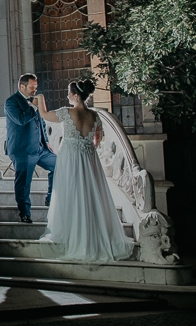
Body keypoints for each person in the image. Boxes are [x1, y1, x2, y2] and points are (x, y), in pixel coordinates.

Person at [36, 80, 135, 262]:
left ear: (75, 96)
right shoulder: (95, 116)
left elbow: (44, 114)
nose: (67, 96)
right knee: (91, 194)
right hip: (88, 159)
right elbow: (97, 141)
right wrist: (85, 148)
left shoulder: (67, 112)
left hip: (70, 159)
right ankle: (93, 234)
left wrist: (40, 97)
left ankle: (74, 236)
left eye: (68, 93)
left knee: (71, 194)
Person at [4, 73, 56, 223]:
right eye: (32, 87)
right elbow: (21, 120)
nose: (35, 90)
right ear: (22, 86)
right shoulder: (11, 102)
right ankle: (24, 213)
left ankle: (50, 198)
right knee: (24, 182)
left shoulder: (35, 101)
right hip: (23, 150)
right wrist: (33, 106)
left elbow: (42, 124)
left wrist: (46, 142)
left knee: (59, 165)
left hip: (41, 149)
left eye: (36, 87)